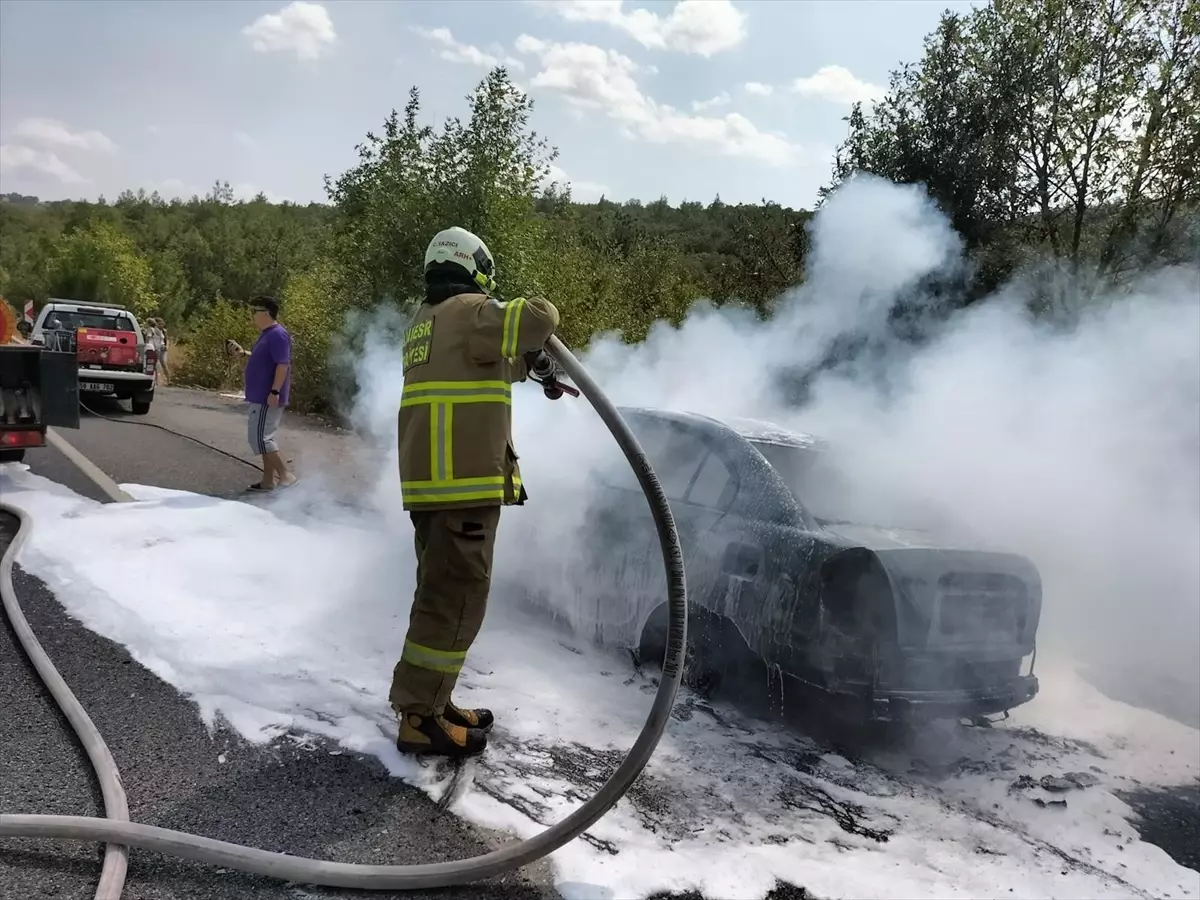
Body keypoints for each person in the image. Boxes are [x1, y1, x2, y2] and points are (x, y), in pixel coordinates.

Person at [391, 225, 563, 758]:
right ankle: (420, 719)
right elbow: (541, 316)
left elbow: (489, 360)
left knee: (439, 596)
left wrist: (532, 365)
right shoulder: (471, 310)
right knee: (456, 600)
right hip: (462, 489)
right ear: (475, 266)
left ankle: (433, 703)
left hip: (432, 489)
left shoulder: (427, 321)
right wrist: (529, 337)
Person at [226, 296, 298, 492]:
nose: (252, 316)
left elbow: (283, 365)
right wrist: (243, 353)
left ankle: (286, 475)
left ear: (266, 313)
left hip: (268, 397)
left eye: (254, 311)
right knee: (265, 437)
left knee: (261, 439)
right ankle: (268, 481)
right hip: (262, 396)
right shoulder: (268, 334)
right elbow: (266, 359)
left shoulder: (277, 335)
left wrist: (274, 391)